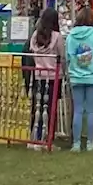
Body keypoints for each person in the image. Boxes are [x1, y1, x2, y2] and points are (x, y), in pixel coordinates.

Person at [65, 6, 93, 153]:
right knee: (90, 111)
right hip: (92, 76)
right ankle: (90, 144)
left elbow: (68, 57)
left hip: (76, 76)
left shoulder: (70, 37)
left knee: (77, 111)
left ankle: (76, 144)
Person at [27, 9, 63, 150]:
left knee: (38, 106)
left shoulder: (35, 36)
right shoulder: (57, 37)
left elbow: (31, 51)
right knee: (50, 109)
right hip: (54, 77)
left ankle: (35, 137)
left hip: (38, 75)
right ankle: (48, 139)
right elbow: (62, 56)